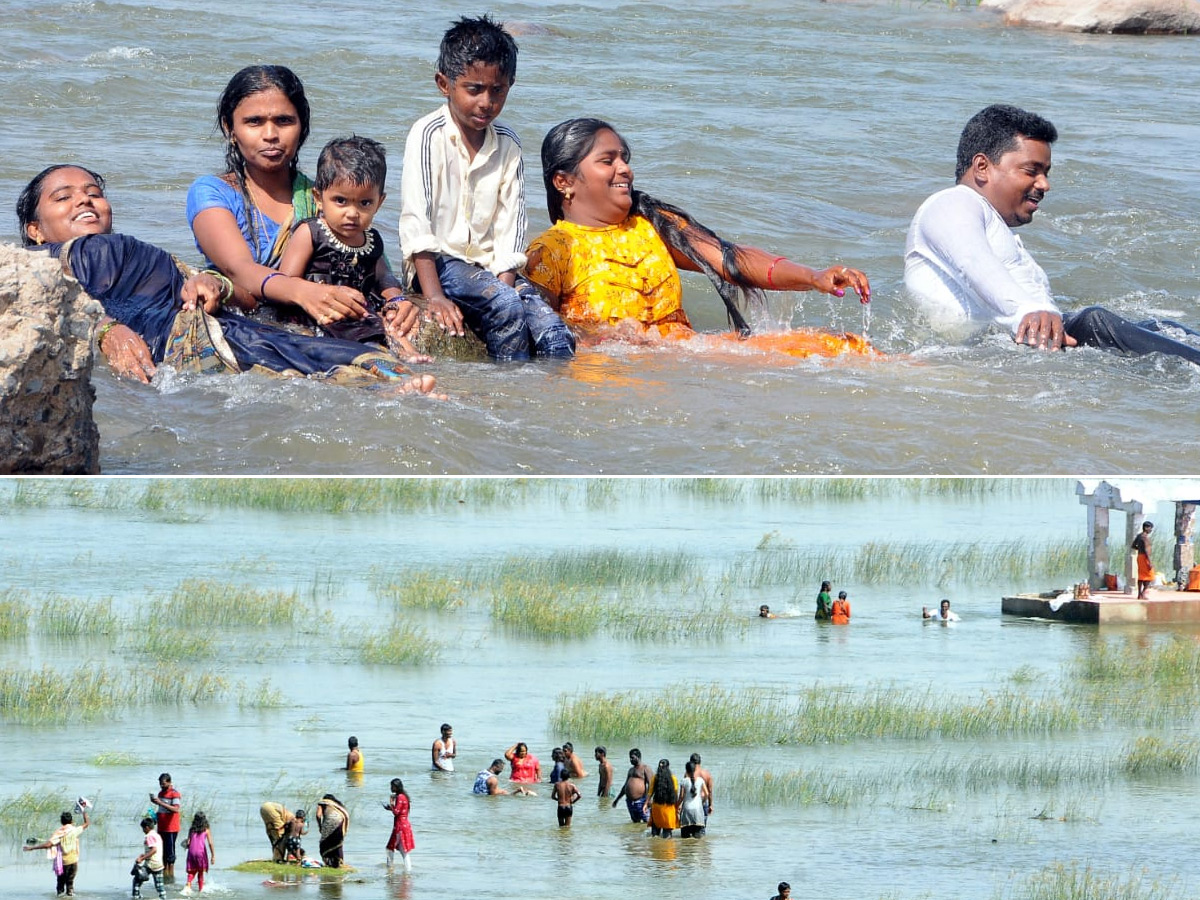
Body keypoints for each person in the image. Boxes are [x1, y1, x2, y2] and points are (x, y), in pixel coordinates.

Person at [19, 165, 437, 391]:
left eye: (93, 191)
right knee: (298, 362)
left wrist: (211, 283)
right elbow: (35, 304)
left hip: (214, 326)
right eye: (63, 197)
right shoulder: (32, 263)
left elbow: (215, 284)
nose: (85, 199)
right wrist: (106, 330)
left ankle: (395, 382)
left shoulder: (134, 250)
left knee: (310, 354)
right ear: (34, 230)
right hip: (179, 343)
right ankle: (393, 386)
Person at [526, 117, 872, 358]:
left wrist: (814, 277)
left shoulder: (652, 225)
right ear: (564, 182)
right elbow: (542, 335)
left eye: (625, 159)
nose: (625, 169)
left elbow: (730, 259)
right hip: (611, 375)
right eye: (607, 160)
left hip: (684, 357)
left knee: (845, 346)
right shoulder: (553, 251)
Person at [905, 104, 1200, 364]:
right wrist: (1029, 310)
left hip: (1018, 348)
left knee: (1158, 326)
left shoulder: (989, 221)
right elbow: (972, 261)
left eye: (1045, 172)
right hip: (994, 351)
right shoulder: (952, 203)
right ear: (982, 167)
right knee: (1094, 321)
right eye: (1031, 171)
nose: (1044, 184)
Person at [188, 65, 419, 340]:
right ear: (230, 129)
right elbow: (239, 270)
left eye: (284, 121)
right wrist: (304, 292)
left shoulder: (329, 198)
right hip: (249, 319)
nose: (270, 134)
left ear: (302, 127)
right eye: (254, 122)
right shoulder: (212, 192)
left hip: (325, 323)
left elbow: (375, 265)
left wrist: (397, 300)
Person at [398, 15, 575, 361]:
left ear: (510, 86)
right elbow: (416, 221)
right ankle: (507, 395)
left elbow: (512, 224)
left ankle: (549, 404)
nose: (486, 102)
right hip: (441, 262)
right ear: (444, 84)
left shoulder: (508, 143)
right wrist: (433, 296)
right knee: (506, 307)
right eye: (474, 89)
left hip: (491, 268)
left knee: (554, 333)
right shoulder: (427, 134)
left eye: (498, 90)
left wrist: (505, 283)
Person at [277, 136, 422, 355]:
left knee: (390, 328)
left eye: (365, 203)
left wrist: (396, 298)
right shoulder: (311, 233)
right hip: (319, 309)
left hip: (356, 311)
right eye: (340, 201)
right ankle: (384, 367)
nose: (352, 213)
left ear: (379, 203)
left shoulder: (371, 239)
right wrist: (319, 293)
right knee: (364, 342)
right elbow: (286, 281)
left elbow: (383, 277)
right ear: (318, 197)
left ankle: (409, 358)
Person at [23, 806, 90, 897]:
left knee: (60, 885)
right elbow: (86, 823)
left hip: (63, 863)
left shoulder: (60, 833)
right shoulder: (74, 830)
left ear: (62, 822)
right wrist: (84, 811)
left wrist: (32, 848)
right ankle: (70, 895)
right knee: (70, 884)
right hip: (74, 861)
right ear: (72, 821)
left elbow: (48, 845)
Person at [149, 773, 181, 879]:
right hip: (161, 827)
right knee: (162, 852)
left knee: (170, 854)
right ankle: (164, 875)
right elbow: (162, 808)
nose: (161, 786)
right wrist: (156, 802)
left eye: (163, 783)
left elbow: (176, 809)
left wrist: (161, 803)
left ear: (169, 782)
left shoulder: (174, 794)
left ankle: (171, 876)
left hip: (171, 828)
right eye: (160, 783)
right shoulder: (160, 793)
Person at [612, 748, 652, 823]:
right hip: (630, 802)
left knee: (647, 822)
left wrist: (648, 800)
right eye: (630, 758)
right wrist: (617, 800)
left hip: (642, 801)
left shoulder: (645, 768)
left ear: (638, 757)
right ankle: (635, 835)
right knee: (635, 823)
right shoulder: (631, 770)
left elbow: (651, 785)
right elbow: (625, 787)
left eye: (632, 757)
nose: (630, 759)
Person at [384, 778, 414, 872]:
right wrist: (391, 807)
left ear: (396, 787)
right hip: (404, 825)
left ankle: (390, 868)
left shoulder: (400, 797)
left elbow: (396, 812)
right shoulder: (404, 796)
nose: (391, 788)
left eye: (392, 786)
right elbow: (401, 811)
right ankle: (407, 871)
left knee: (391, 848)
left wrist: (392, 804)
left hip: (400, 826)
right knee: (403, 850)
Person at [133, 816, 167, 900]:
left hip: (150, 864)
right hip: (158, 864)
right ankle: (163, 898)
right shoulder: (156, 835)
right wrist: (144, 855)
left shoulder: (149, 836)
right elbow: (155, 848)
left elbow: (154, 850)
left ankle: (136, 897)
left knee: (137, 880)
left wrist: (142, 858)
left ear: (147, 827)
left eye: (143, 828)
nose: (143, 831)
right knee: (159, 886)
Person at [182, 811, 213, 895]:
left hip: (191, 852)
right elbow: (210, 843)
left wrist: (186, 845)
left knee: (191, 871)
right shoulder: (206, 830)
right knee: (200, 871)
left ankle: (188, 884)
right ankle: (201, 889)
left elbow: (188, 842)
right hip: (201, 853)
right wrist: (213, 856)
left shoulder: (191, 829)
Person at [315, 794, 350, 868]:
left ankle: (328, 863)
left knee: (324, 843)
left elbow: (318, 815)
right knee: (338, 843)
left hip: (331, 820)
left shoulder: (322, 802)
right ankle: (340, 863)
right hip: (341, 821)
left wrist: (320, 825)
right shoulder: (337, 805)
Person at [676, 760, 709, 838]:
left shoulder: (683, 781)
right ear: (695, 770)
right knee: (697, 838)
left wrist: (676, 806)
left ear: (686, 770)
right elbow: (707, 794)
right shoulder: (701, 780)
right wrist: (702, 801)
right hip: (698, 811)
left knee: (685, 838)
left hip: (686, 811)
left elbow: (681, 797)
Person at [647, 759, 679, 838]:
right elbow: (675, 794)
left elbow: (650, 793)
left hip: (657, 808)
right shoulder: (673, 778)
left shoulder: (655, 778)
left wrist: (646, 804)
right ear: (668, 767)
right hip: (669, 809)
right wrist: (677, 806)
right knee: (667, 835)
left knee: (654, 835)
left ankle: (655, 849)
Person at [1133, 521, 1155, 599]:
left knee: (1141, 576)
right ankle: (1142, 593)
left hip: (1139, 556)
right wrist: (1150, 562)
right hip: (1145, 557)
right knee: (1150, 576)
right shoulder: (1145, 537)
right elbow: (1146, 550)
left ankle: (1139, 594)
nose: (1151, 530)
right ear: (1146, 528)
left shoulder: (1139, 536)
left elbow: (1133, 546)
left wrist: (1139, 549)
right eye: (1150, 528)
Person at [689, 752, 714, 819]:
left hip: (691, 802)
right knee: (702, 827)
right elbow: (710, 791)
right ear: (700, 762)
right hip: (703, 802)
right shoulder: (707, 774)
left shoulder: (688, 774)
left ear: (691, 762)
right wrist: (710, 805)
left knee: (691, 827)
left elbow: (684, 791)